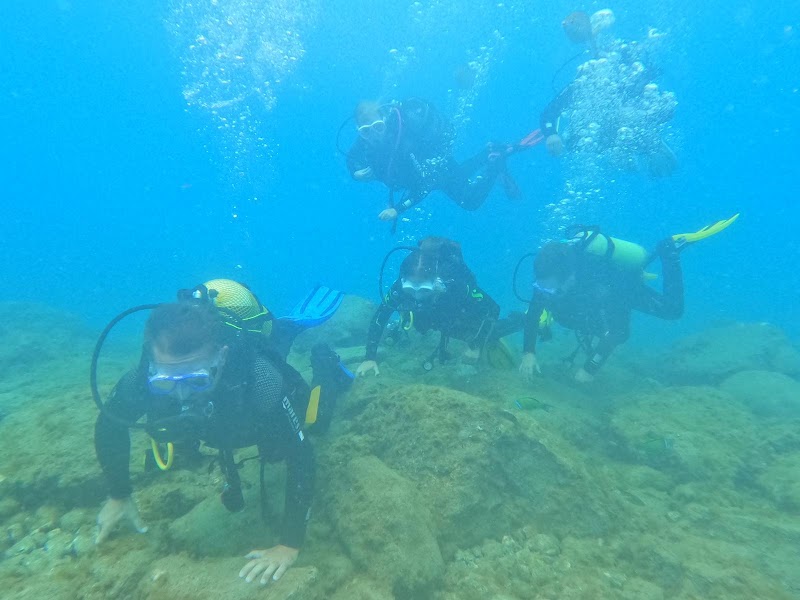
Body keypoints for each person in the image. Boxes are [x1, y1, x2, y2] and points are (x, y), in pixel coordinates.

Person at [94, 296, 351, 585]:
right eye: (166, 381)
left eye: (196, 381)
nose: (182, 396)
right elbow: (109, 424)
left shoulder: (262, 380)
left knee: (315, 422)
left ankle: (320, 357)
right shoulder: (140, 378)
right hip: (223, 421)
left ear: (222, 356)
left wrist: (289, 545)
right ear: (152, 363)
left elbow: (301, 454)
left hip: (249, 404)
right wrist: (118, 493)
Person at [519, 233, 683, 383]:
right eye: (540, 288)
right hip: (584, 303)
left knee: (672, 310)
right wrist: (529, 353)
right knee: (565, 313)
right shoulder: (545, 279)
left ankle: (669, 251)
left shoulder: (603, 284)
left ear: (570, 278)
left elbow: (620, 332)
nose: (544, 295)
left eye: (551, 290)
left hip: (624, 287)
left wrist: (589, 369)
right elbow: (533, 313)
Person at [541, 10, 678, 177]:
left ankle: (649, 147)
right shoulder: (585, 81)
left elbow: (657, 83)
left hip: (632, 130)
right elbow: (549, 112)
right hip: (604, 138)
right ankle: (633, 155)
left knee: (636, 120)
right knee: (574, 141)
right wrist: (551, 135)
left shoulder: (632, 75)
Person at [356, 237, 521, 375]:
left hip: (454, 313)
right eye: (410, 289)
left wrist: (475, 345)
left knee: (484, 332)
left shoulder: (456, 285)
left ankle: (522, 319)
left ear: (435, 282)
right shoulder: (399, 287)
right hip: (428, 317)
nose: (416, 295)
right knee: (416, 320)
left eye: (423, 289)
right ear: (403, 281)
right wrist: (369, 358)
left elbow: (493, 308)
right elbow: (380, 316)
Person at [346, 98, 518, 223]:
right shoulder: (365, 140)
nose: (374, 135)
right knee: (457, 175)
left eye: (378, 127)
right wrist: (355, 173)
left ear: (385, 119)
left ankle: (494, 163)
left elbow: (424, 184)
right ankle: (487, 153)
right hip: (429, 173)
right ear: (359, 130)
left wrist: (397, 209)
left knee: (470, 201)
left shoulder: (405, 144)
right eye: (366, 130)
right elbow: (352, 157)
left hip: (432, 169)